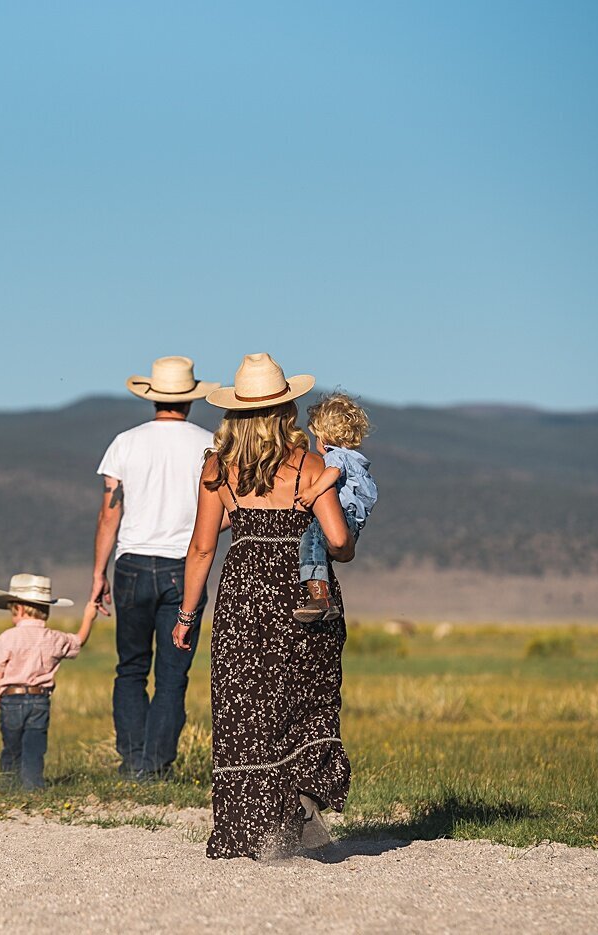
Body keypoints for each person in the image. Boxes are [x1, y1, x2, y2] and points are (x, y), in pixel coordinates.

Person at [172, 352, 356, 859]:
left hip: (244, 598)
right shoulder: (310, 465)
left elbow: (203, 549)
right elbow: (339, 543)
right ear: (284, 411)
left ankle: (248, 832)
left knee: (245, 712)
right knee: (306, 703)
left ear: (234, 415)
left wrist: (187, 615)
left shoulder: (217, 469)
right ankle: (300, 800)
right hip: (302, 597)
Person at [91, 356, 219, 779]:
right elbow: (228, 510)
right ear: (190, 399)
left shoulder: (125, 443)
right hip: (184, 567)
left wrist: (98, 573)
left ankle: (132, 762)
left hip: (129, 565)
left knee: (130, 667)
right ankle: (155, 765)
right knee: (172, 674)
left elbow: (110, 513)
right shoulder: (212, 444)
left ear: (152, 398)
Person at [0, 573, 94, 789]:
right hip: (40, 699)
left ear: (20, 610)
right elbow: (79, 640)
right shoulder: (54, 638)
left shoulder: (8, 637)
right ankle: (33, 786)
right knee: (34, 746)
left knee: (11, 746)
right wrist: (88, 617)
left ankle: (10, 786)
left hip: (11, 699)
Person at [293, 392, 377, 622]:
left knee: (310, 540)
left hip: (342, 516)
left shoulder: (335, 457)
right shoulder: (356, 459)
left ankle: (319, 596)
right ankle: (326, 601)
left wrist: (313, 491)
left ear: (325, 436)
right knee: (322, 546)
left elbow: (332, 472)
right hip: (353, 522)